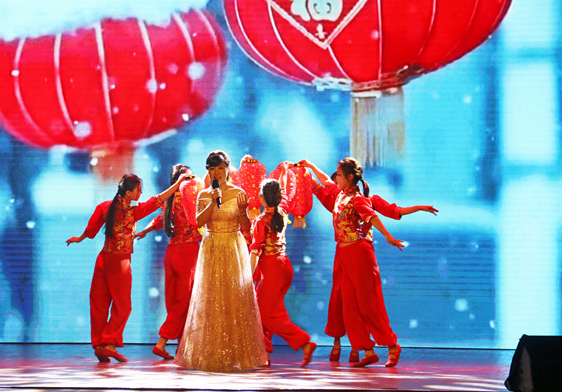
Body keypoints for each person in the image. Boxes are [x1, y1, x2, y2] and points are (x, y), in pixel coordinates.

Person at [299, 158, 437, 367]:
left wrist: (390, 234)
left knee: (369, 305)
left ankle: (392, 346)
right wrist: (310, 166)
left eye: (339, 175)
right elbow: (325, 181)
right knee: (349, 307)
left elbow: (377, 215)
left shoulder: (359, 199)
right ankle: (368, 350)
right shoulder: (340, 196)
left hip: (360, 254)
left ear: (350, 177)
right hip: (344, 254)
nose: (335, 178)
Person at [66, 173, 185, 363]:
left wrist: (79, 238)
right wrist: (177, 184)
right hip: (120, 262)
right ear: (128, 193)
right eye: (138, 190)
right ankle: (108, 343)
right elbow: (157, 200)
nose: (141, 193)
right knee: (123, 306)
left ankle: (99, 345)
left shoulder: (105, 207)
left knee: (99, 303)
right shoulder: (132, 212)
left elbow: (91, 229)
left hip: (103, 260)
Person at [174, 150, 268, 372]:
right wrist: (213, 202)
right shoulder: (204, 194)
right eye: (212, 169)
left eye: (220, 168)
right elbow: (199, 221)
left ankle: (237, 354)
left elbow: (245, 226)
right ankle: (210, 354)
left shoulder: (238, 192)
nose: (217, 172)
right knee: (211, 298)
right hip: (212, 246)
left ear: (227, 169)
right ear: (208, 171)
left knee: (235, 297)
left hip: (233, 246)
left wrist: (243, 211)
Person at [249, 162, 317, 367]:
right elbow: (285, 189)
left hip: (271, 269)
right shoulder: (283, 209)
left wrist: (247, 275)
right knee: (267, 310)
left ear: (262, 198)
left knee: (265, 313)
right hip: (284, 266)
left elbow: (255, 251)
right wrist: (285, 171)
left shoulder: (261, 221)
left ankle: (303, 342)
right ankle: (263, 353)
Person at [135, 164, 202, 360]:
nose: (191, 181)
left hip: (172, 251)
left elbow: (159, 220)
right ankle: (162, 342)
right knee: (183, 301)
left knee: (174, 301)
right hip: (187, 252)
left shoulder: (169, 200)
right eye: (188, 178)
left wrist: (145, 230)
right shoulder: (192, 198)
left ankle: (182, 346)